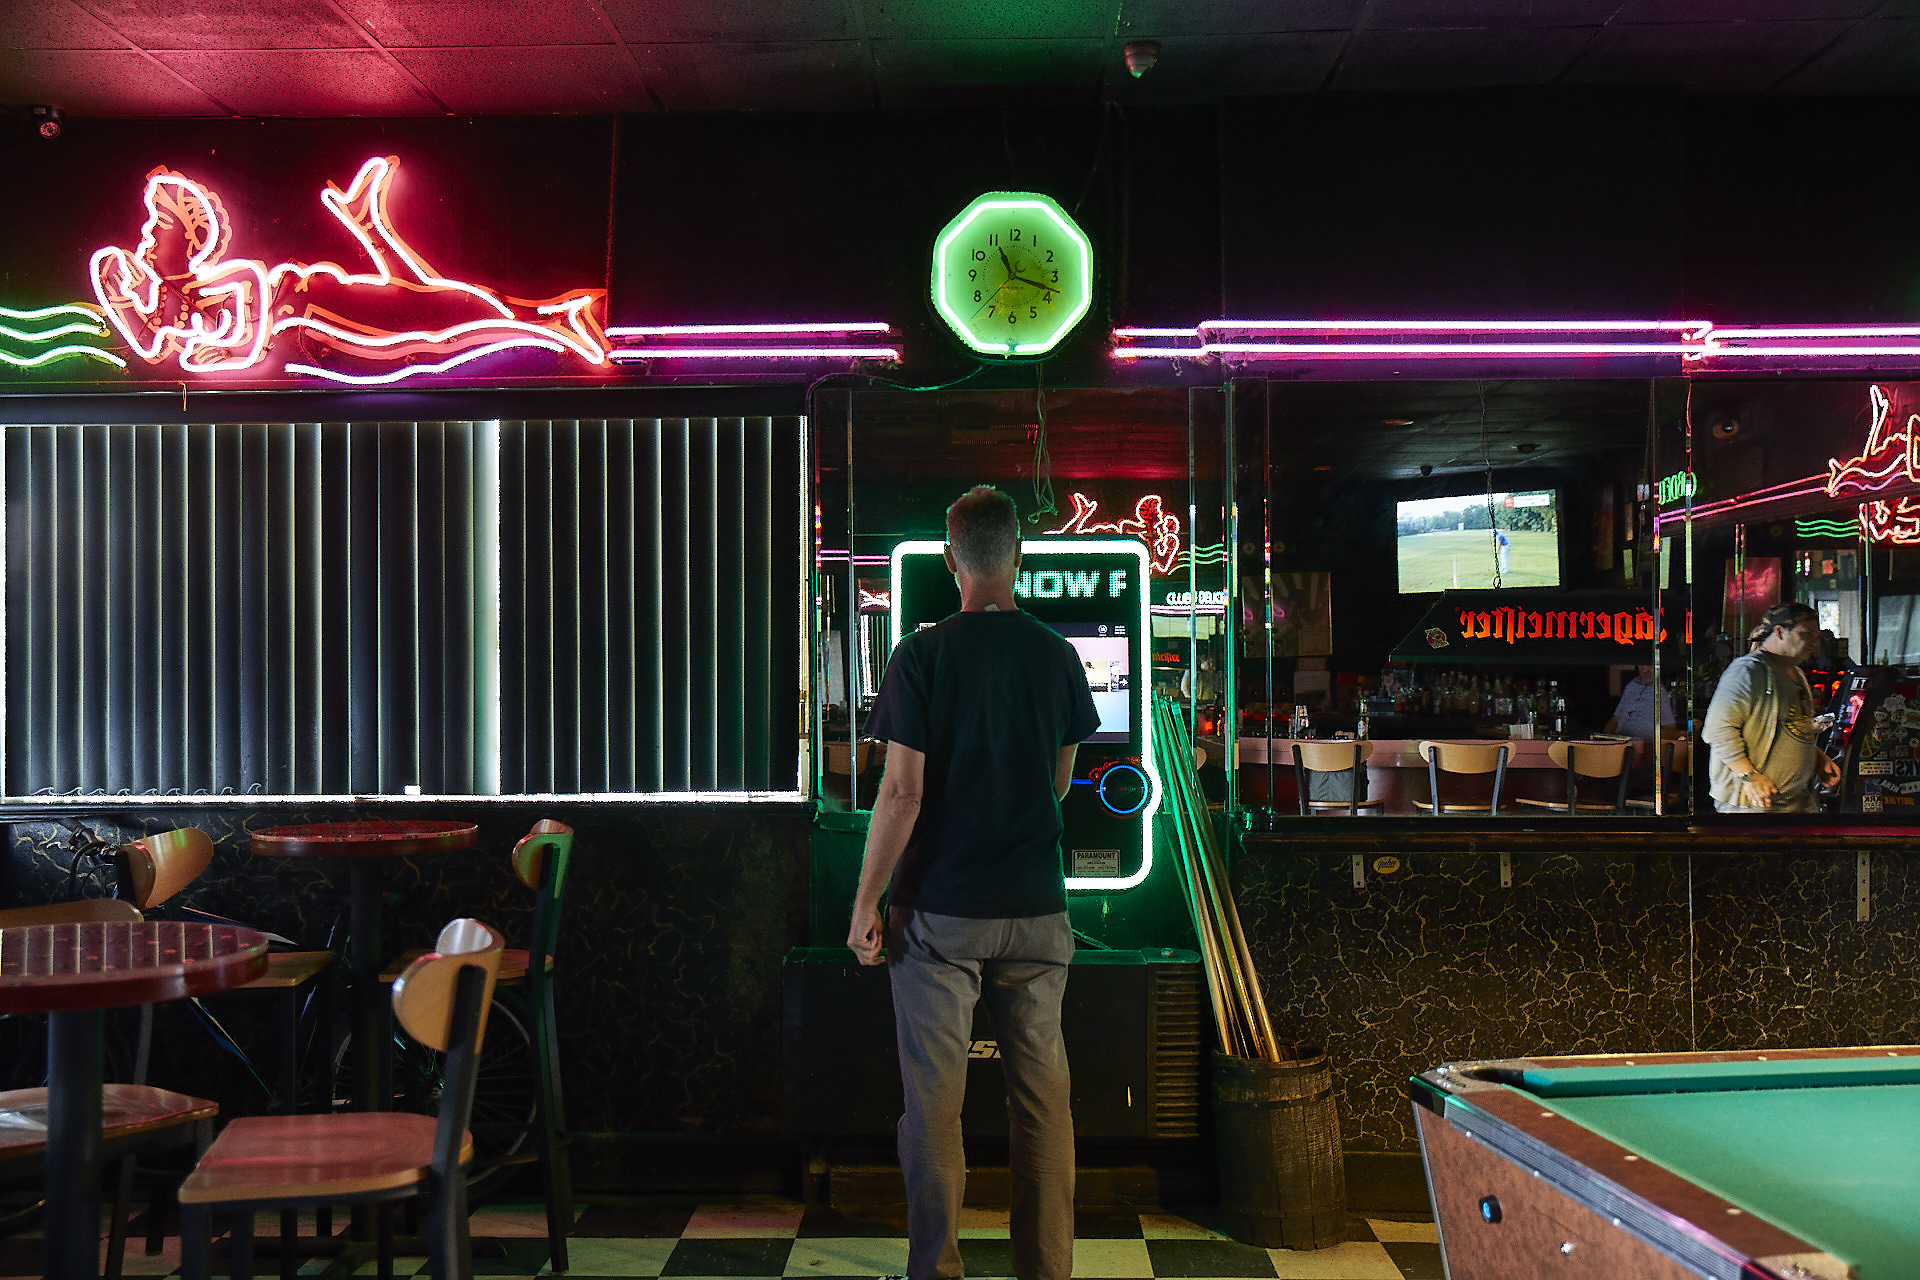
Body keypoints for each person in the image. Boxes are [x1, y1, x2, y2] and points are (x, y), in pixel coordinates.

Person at [848, 486, 1099, 1280]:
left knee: (934, 1110)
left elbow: (902, 793)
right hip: (1035, 909)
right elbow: (1059, 784)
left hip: (940, 915)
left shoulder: (921, 656)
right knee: (1043, 1107)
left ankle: (937, 1271)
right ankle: (1046, 1272)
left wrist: (864, 904)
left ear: (952, 561)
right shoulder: (1057, 656)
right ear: (1019, 557)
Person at [1702, 602, 1841, 813]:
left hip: (1795, 803)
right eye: (1807, 634)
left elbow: (1790, 728)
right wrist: (1750, 776)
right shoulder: (1747, 672)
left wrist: (1816, 757)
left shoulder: (1794, 672)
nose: (1816, 644)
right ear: (1779, 632)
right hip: (1752, 806)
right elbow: (1717, 730)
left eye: (1817, 636)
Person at [1604, 664, 1676, 743]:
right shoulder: (1632, 685)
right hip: (1618, 743)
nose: (1645, 669)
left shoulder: (1662, 692)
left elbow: (1670, 728)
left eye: (1649, 665)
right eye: (1642, 665)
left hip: (1644, 746)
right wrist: (1603, 741)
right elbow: (1615, 720)